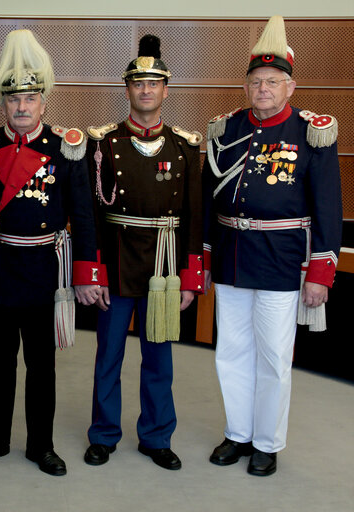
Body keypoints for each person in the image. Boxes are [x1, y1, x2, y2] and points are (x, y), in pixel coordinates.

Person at [203, 15, 342, 477]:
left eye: (272, 82)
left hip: (283, 261)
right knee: (231, 352)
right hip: (232, 256)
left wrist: (321, 272)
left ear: (290, 86)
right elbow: (209, 199)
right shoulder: (226, 128)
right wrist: (204, 256)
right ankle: (238, 433)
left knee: (274, 357)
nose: (262, 89)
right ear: (246, 87)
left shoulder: (311, 132)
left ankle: (267, 442)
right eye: (256, 82)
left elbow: (327, 207)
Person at [0, 29, 102, 477]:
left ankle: (40, 444)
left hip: (47, 268)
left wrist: (86, 274)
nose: (21, 108)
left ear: (43, 102)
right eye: (13, 100)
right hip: (0, 266)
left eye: (30, 99)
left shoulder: (66, 147)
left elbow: (83, 216)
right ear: (2, 103)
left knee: (42, 364)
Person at [83, 35, 203, 471]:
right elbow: (92, 215)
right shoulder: (102, 144)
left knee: (159, 359)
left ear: (166, 90)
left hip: (165, 267)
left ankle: (156, 436)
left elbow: (193, 217)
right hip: (115, 261)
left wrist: (190, 278)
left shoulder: (186, 148)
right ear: (127, 90)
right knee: (107, 356)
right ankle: (104, 434)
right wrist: (91, 272)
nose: (146, 90)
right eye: (138, 83)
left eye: (154, 83)